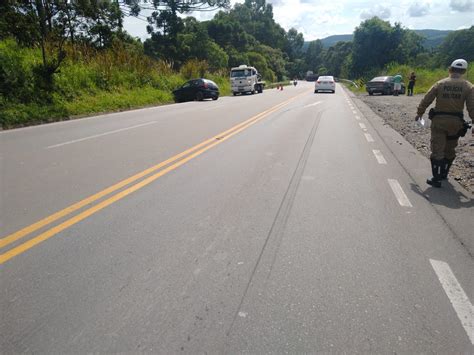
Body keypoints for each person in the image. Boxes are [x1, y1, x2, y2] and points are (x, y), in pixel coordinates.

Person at [415, 59, 474, 188]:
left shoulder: (440, 84)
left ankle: (436, 178)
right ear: (464, 71)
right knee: (450, 149)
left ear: (450, 69)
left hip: (439, 123)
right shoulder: (468, 86)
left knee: (437, 150)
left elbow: (427, 99)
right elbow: (472, 107)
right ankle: (444, 174)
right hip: (456, 124)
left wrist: (419, 113)